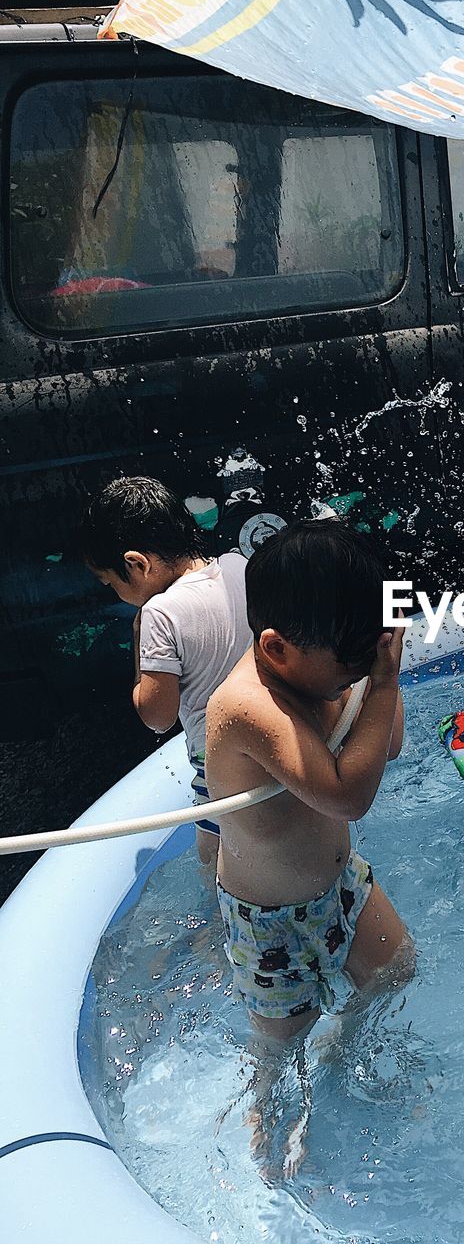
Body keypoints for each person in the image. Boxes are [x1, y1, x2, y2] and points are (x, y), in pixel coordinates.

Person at [204, 520, 412, 1175]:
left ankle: (341, 1057)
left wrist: (374, 674)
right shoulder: (247, 708)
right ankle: (263, 1114)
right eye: (346, 669)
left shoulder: (321, 666)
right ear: (276, 649)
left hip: (338, 885)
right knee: (279, 1043)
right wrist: (379, 685)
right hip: (269, 921)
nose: (354, 679)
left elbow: (391, 746)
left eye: (365, 664)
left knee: (395, 970)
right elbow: (350, 794)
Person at [80, 476, 251, 866]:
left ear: (136, 564)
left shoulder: (160, 613)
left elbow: (158, 717)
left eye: (111, 584)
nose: (115, 594)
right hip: (271, 742)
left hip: (220, 766)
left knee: (216, 871)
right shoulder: (239, 566)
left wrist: (140, 647)